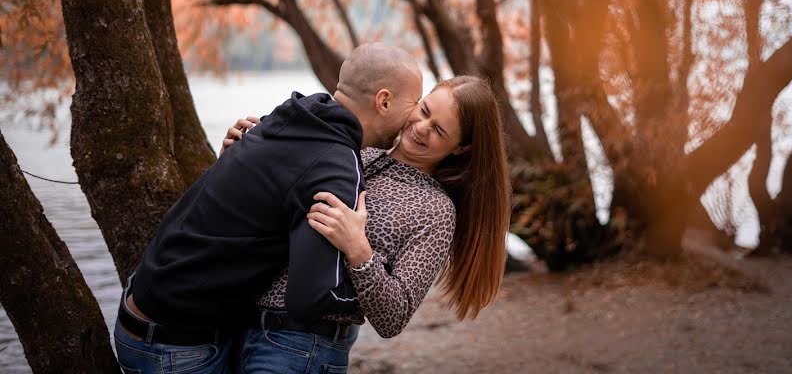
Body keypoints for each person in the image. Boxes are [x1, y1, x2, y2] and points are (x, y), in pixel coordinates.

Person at [113, 43, 423, 374]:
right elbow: (308, 300)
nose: (417, 114)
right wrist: (360, 279)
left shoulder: (290, 116)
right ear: (385, 101)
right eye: (415, 103)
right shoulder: (337, 164)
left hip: (142, 310)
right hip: (176, 345)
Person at [224, 75, 512, 373]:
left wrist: (358, 249)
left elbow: (394, 318)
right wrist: (240, 160)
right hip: (235, 327)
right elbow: (275, 215)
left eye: (439, 130)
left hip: (300, 350)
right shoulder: (357, 151)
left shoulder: (435, 210)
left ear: (460, 148)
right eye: (425, 110)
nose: (421, 127)